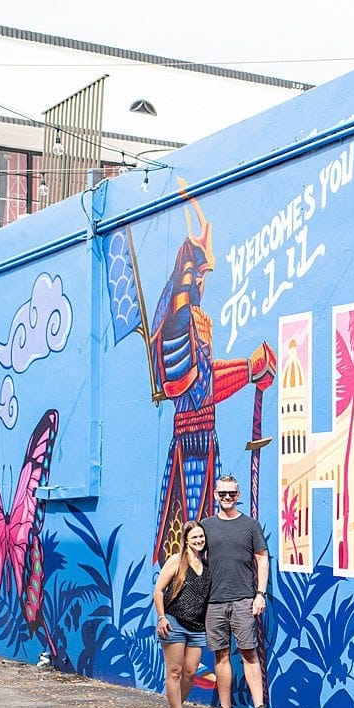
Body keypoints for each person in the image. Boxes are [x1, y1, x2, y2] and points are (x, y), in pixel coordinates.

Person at [147, 193, 276, 566]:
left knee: (200, 530)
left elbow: (202, 381)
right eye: (199, 275)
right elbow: (199, 386)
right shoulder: (184, 322)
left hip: (200, 438)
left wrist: (249, 370)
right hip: (193, 442)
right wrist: (248, 370)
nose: (202, 282)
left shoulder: (183, 323)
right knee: (192, 528)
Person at [198, 474, 271, 708]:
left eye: (231, 494)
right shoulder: (205, 526)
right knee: (221, 655)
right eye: (222, 493)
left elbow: (262, 559)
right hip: (214, 601)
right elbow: (194, 557)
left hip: (243, 600)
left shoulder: (251, 526)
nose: (227, 497)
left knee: (250, 653)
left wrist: (260, 594)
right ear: (216, 495)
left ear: (238, 495)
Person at [153, 521, 210, 708]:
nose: (198, 541)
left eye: (201, 537)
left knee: (190, 672)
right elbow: (159, 591)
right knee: (175, 671)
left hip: (197, 627)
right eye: (194, 537)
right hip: (174, 624)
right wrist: (162, 617)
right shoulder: (176, 561)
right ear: (186, 539)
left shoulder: (206, 564)